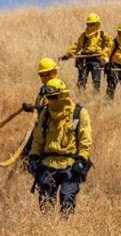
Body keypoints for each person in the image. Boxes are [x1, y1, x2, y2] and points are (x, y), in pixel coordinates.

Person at [28, 78, 93, 215]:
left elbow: (85, 139)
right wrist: (33, 157)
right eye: (49, 97)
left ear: (63, 95)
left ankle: (64, 229)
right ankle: (47, 229)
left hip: (70, 164)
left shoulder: (79, 113)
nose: (52, 100)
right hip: (48, 164)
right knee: (45, 201)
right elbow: (38, 139)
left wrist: (82, 159)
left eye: (54, 97)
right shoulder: (45, 114)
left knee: (67, 199)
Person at [60, 13, 112, 92]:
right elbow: (76, 46)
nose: (90, 26)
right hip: (84, 58)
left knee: (96, 80)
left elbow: (110, 45)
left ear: (97, 24)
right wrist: (69, 54)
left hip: (96, 59)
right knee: (82, 79)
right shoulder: (84, 36)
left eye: (92, 24)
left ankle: (96, 98)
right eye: (88, 24)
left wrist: (104, 54)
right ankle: (80, 97)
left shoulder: (102, 35)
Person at [20, 58, 60, 157]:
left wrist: (37, 110)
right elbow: (43, 106)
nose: (41, 77)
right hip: (41, 124)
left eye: (43, 74)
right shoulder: (45, 88)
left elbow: (53, 110)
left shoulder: (56, 88)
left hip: (49, 128)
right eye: (40, 75)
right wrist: (32, 108)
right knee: (26, 149)